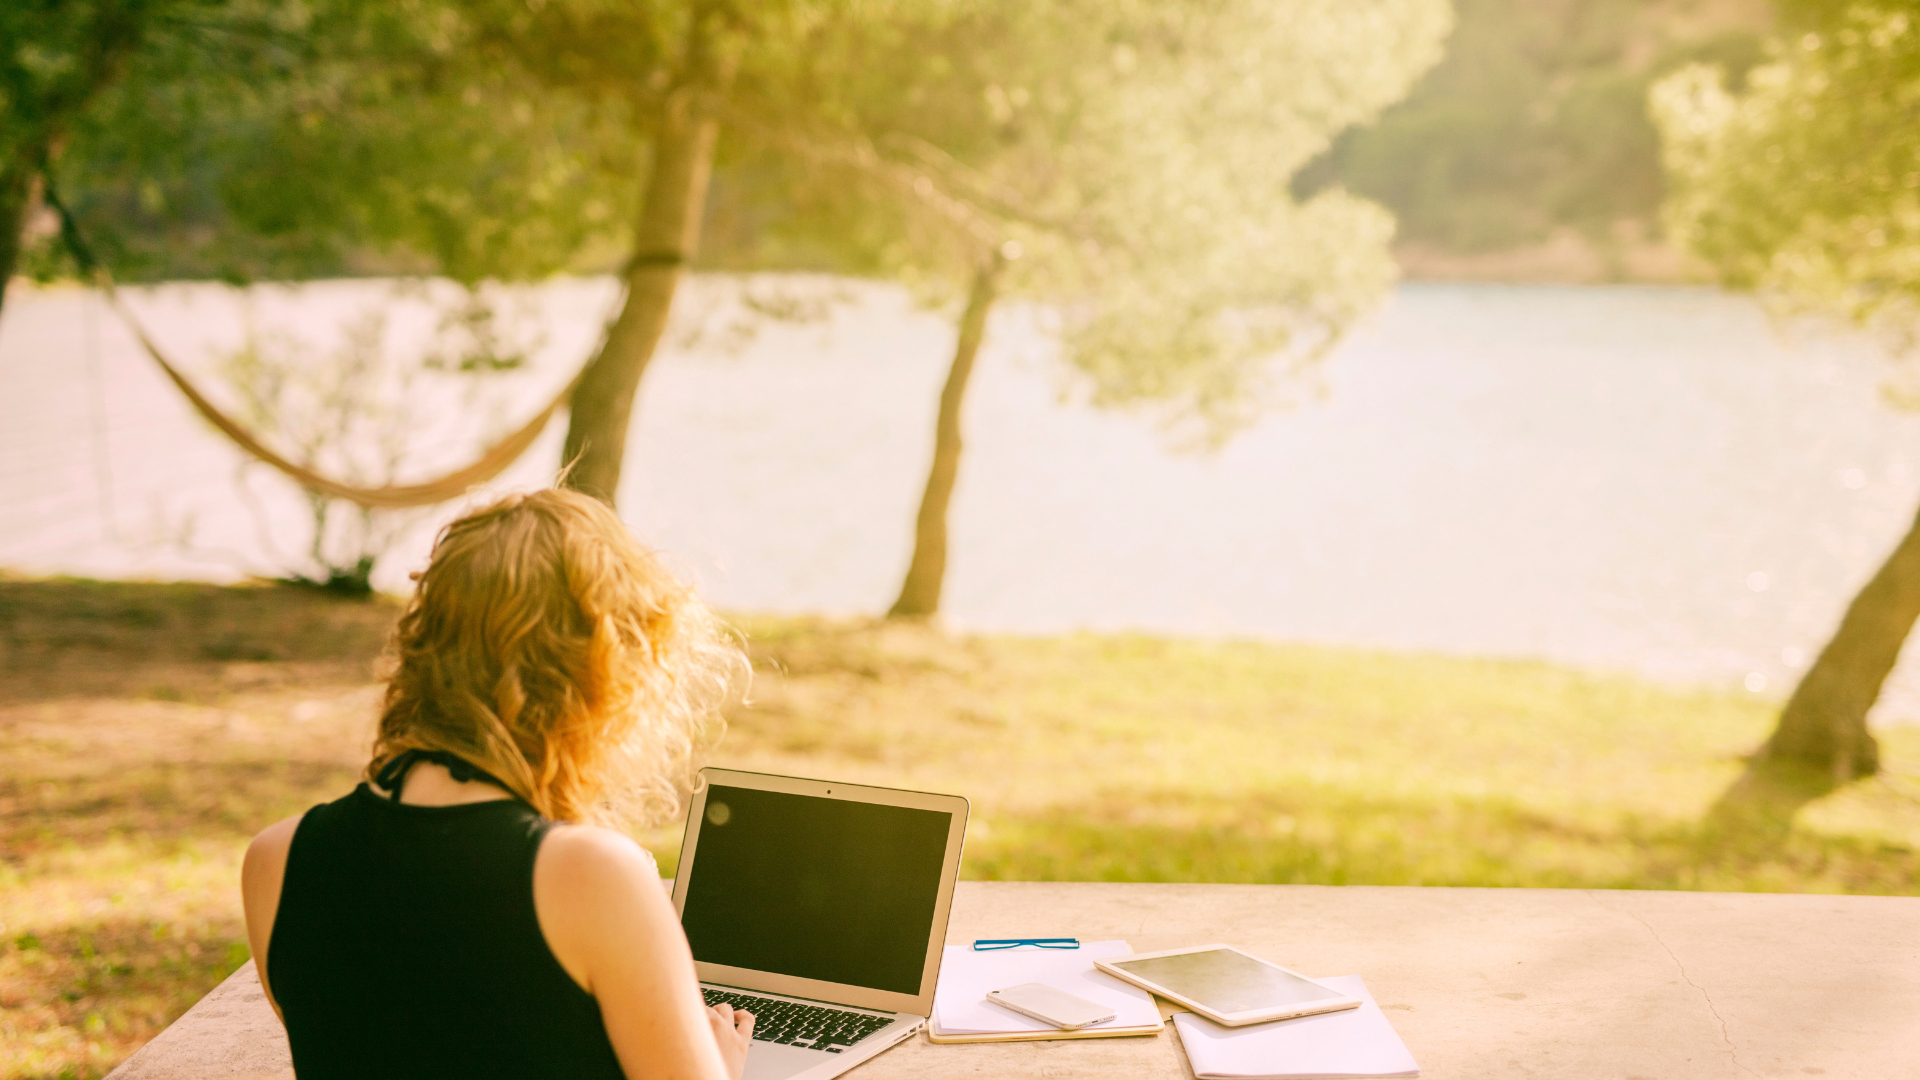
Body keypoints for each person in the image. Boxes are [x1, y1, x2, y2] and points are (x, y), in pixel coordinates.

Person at [240, 489, 756, 1080]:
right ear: (608, 678)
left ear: (421, 647)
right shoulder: (592, 875)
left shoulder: (276, 859)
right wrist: (721, 1064)